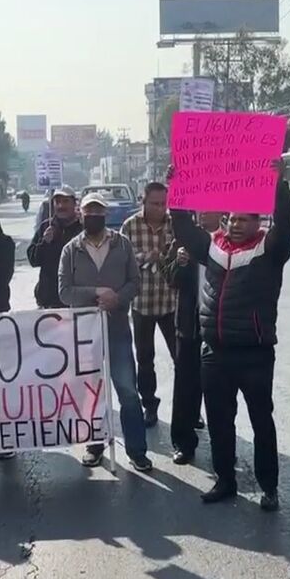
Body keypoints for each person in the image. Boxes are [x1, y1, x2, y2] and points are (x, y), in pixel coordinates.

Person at [171, 167, 290, 512]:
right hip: (214, 353)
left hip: (254, 354)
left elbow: (286, 228)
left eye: (244, 219)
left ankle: (268, 487)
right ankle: (225, 480)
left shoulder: (269, 250)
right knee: (219, 421)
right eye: (231, 218)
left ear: (258, 222)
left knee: (261, 422)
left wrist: (278, 185)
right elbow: (183, 229)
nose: (236, 223)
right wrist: (177, 187)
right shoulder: (212, 247)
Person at [58, 193, 151, 472]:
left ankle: (137, 451)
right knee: (91, 393)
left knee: (128, 393)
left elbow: (135, 281)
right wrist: (96, 292)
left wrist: (118, 299)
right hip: (85, 335)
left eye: (98, 211)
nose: (93, 215)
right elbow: (64, 292)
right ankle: (94, 446)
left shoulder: (122, 245)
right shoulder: (71, 250)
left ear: (105, 213)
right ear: (80, 213)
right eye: (88, 211)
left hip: (118, 330)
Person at [165, 211, 222, 465]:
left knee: (218, 390)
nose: (205, 211)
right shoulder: (182, 240)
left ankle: (223, 449)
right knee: (185, 387)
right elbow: (170, 278)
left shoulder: (227, 240)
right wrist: (179, 263)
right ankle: (183, 443)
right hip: (188, 324)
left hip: (218, 327)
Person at [121, 182, 177, 425]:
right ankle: (150, 406)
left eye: (163, 203)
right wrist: (146, 257)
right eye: (155, 203)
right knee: (145, 358)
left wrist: (170, 257)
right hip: (142, 303)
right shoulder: (130, 226)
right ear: (143, 201)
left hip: (170, 302)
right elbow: (121, 261)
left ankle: (189, 408)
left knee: (182, 357)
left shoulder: (174, 224)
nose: (160, 208)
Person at [27, 186, 81, 309]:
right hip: (49, 301)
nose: (61, 206)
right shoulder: (46, 227)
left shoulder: (82, 229)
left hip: (76, 302)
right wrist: (45, 242)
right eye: (58, 202)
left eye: (66, 201)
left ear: (74, 203)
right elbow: (33, 260)